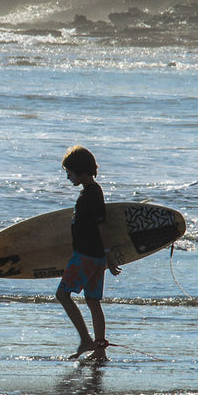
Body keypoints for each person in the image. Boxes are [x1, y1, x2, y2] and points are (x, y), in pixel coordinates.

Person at [57, 145, 121, 360]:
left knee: (62, 295)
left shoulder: (91, 195)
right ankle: (100, 350)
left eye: (69, 173)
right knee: (93, 301)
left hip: (86, 256)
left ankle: (85, 339)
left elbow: (102, 225)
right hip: (95, 257)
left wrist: (110, 255)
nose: (68, 178)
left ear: (81, 171)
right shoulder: (93, 191)